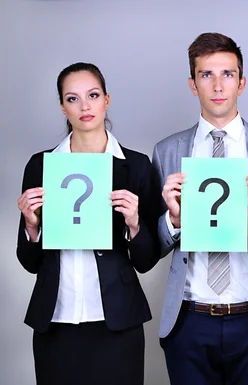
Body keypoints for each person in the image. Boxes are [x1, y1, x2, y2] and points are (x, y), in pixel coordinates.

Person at [152, 32, 248, 385]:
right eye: (206, 75)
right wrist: (173, 220)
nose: (218, 85)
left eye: (227, 74)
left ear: (241, 82)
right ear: (193, 84)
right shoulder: (167, 151)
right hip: (188, 321)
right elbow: (151, 247)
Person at [16, 62, 161, 385]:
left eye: (93, 95)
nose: (84, 106)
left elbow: (147, 260)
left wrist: (135, 224)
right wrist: (31, 225)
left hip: (117, 322)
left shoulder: (135, 165)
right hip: (55, 321)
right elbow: (29, 262)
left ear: (106, 100)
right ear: (62, 106)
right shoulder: (41, 166)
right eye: (72, 98)